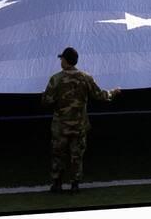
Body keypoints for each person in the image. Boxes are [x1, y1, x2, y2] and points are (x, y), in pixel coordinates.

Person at [42, 47, 121, 193]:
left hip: (60, 127)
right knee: (76, 156)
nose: (61, 61)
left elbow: (46, 101)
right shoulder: (86, 78)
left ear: (65, 61)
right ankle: (75, 185)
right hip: (79, 126)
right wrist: (113, 92)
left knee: (58, 155)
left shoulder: (56, 79)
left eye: (62, 59)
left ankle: (57, 184)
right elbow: (100, 95)